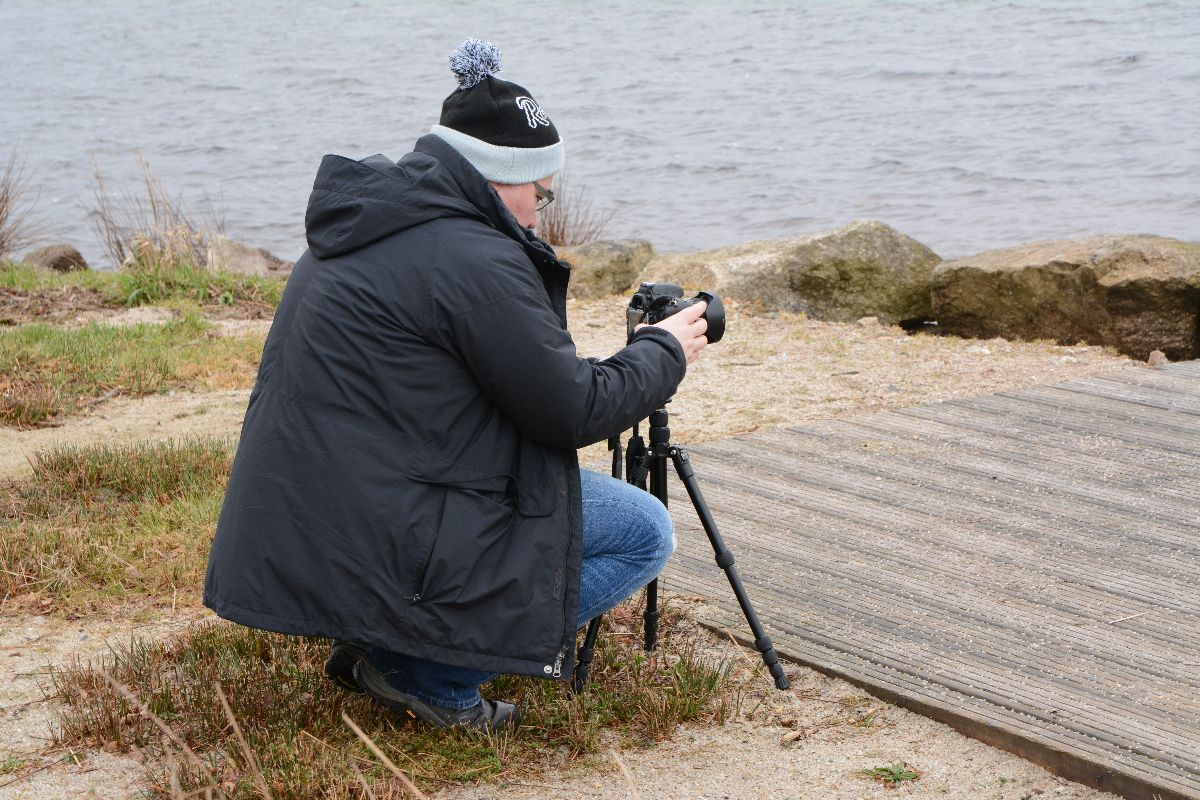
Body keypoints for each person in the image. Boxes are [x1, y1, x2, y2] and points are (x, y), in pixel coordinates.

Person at [203, 39, 708, 732]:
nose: (539, 216)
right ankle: (432, 674)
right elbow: (573, 410)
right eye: (540, 194)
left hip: (327, 512)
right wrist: (664, 350)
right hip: (388, 511)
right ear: (499, 177)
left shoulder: (377, 217)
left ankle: (385, 643)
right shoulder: (472, 259)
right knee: (642, 532)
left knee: (555, 499)